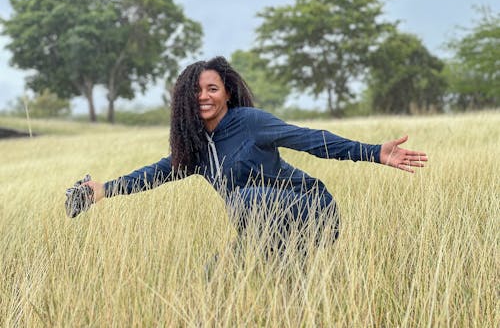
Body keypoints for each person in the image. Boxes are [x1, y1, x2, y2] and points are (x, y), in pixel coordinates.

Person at [82, 56, 427, 251]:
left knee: (243, 198)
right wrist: (103, 190)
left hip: (313, 209)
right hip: (266, 227)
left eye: (212, 89)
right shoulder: (197, 148)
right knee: (218, 273)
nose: (204, 96)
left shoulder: (250, 122)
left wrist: (372, 152)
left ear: (227, 94)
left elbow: (309, 139)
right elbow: (155, 174)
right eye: (196, 91)